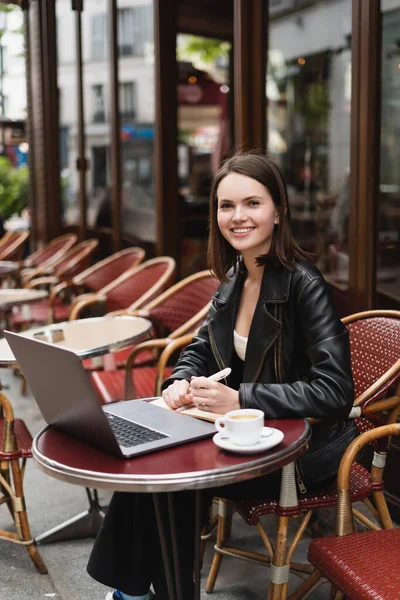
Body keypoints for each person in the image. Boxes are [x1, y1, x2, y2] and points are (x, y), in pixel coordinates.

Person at [87, 152, 356, 600]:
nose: (238, 217)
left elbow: (335, 392)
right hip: (241, 435)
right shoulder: (234, 276)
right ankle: (137, 593)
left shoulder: (304, 284)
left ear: (278, 211)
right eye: (226, 205)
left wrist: (242, 398)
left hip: (299, 450)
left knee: (173, 473)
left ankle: (140, 594)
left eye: (252, 203)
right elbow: (199, 349)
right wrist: (180, 382)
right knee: (153, 460)